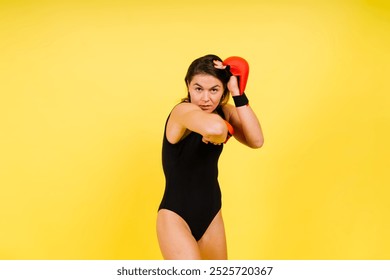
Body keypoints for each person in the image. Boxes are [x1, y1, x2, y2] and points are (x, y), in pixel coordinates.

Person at [156, 54, 264, 260]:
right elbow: (214, 127)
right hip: (175, 216)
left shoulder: (225, 111)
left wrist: (238, 93)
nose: (205, 98)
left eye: (214, 90)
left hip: (212, 214)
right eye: (198, 89)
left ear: (224, 90)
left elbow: (256, 140)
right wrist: (224, 130)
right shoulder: (182, 111)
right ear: (188, 86)